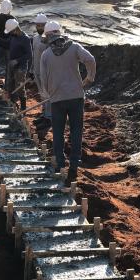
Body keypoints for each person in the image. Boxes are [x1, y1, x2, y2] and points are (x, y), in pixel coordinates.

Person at [38, 21, 96, 185]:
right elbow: (90, 59)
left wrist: (50, 93)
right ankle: (74, 165)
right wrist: (90, 78)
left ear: (48, 36)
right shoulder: (74, 47)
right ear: (60, 33)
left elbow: (43, 80)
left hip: (57, 99)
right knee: (76, 130)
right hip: (76, 97)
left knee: (58, 131)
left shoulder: (46, 55)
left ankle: (60, 164)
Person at [30, 13, 52, 131]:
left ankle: (49, 118)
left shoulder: (49, 40)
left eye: (41, 25)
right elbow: (34, 55)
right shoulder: (34, 38)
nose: (39, 27)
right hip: (37, 70)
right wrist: (31, 69)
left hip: (46, 72)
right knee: (42, 94)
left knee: (47, 94)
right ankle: (44, 114)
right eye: (37, 25)